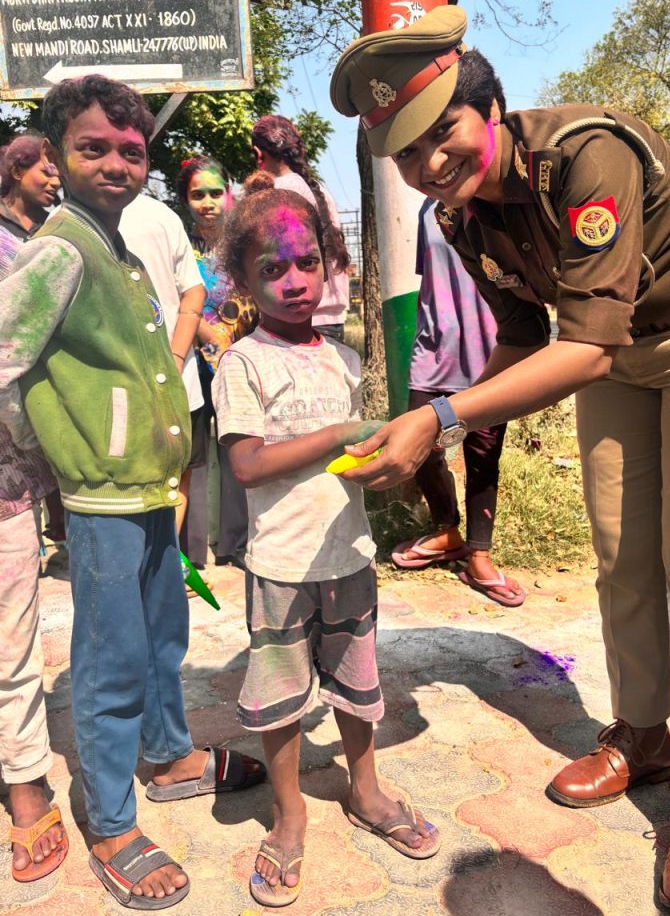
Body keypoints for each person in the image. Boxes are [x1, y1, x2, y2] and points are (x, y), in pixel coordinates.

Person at [330, 5, 670, 915]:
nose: (430, 163)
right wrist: (430, 424)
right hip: (618, 353)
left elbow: (586, 348)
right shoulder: (462, 220)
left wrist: (441, 415)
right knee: (621, 554)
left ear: (488, 108)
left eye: (442, 132)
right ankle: (644, 736)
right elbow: (528, 341)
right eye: (406, 153)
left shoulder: (584, 156)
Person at [0, 76, 265, 909]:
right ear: (55, 156)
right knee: (111, 660)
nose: (117, 164)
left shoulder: (117, 248)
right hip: (103, 499)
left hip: (149, 491)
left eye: (131, 150)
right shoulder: (59, 252)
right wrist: (39, 440)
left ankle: (170, 755)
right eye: (93, 149)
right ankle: (113, 821)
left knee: (161, 637)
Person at [212, 172, 440, 907]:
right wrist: (341, 433)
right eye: (272, 268)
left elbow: (350, 458)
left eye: (307, 262)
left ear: (330, 264)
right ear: (243, 280)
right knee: (281, 696)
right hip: (280, 564)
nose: (294, 281)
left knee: (357, 684)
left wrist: (383, 464)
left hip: (349, 556)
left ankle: (365, 790)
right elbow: (247, 465)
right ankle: (289, 815)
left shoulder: (343, 359)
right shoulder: (243, 363)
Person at [390, 198, 525, 606]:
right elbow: (432, 277)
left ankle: (479, 555)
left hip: (490, 344)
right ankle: (446, 529)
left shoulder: (500, 200)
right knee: (419, 444)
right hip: (434, 347)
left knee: (483, 453)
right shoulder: (426, 210)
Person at [0, 134, 68, 884]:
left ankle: (25, 782)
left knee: (11, 637)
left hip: (6, 481)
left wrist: (42, 453)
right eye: (44, 165)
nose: (53, 177)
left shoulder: (36, 251)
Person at [120, 193, 208, 571]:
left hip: (129, 384)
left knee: (150, 477)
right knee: (175, 476)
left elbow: (193, 291)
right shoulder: (162, 215)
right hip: (176, 379)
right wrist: (176, 358)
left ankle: (154, 566)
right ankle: (166, 565)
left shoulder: (65, 218)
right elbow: (194, 291)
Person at [177, 156, 253, 568]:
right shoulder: (177, 245)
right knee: (193, 455)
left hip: (238, 360)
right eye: (197, 194)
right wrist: (207, 336)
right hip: (189, 361)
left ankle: (234, 545)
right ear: (185, 199)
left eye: (215, 192)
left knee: (235, 447)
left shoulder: (243, 242)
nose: (207, 202)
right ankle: (190, 553)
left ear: (229, 193)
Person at [0, 134, 66, 544]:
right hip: (9, 400)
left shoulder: (53, 231)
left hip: (51, 386)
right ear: (16, 170)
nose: (56, 181)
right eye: (46, 170)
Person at [250, 115, 351, 341]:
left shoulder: (274, 195)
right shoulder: (320, 191)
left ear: (258, 153)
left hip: (295, 322)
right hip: (332, 320)